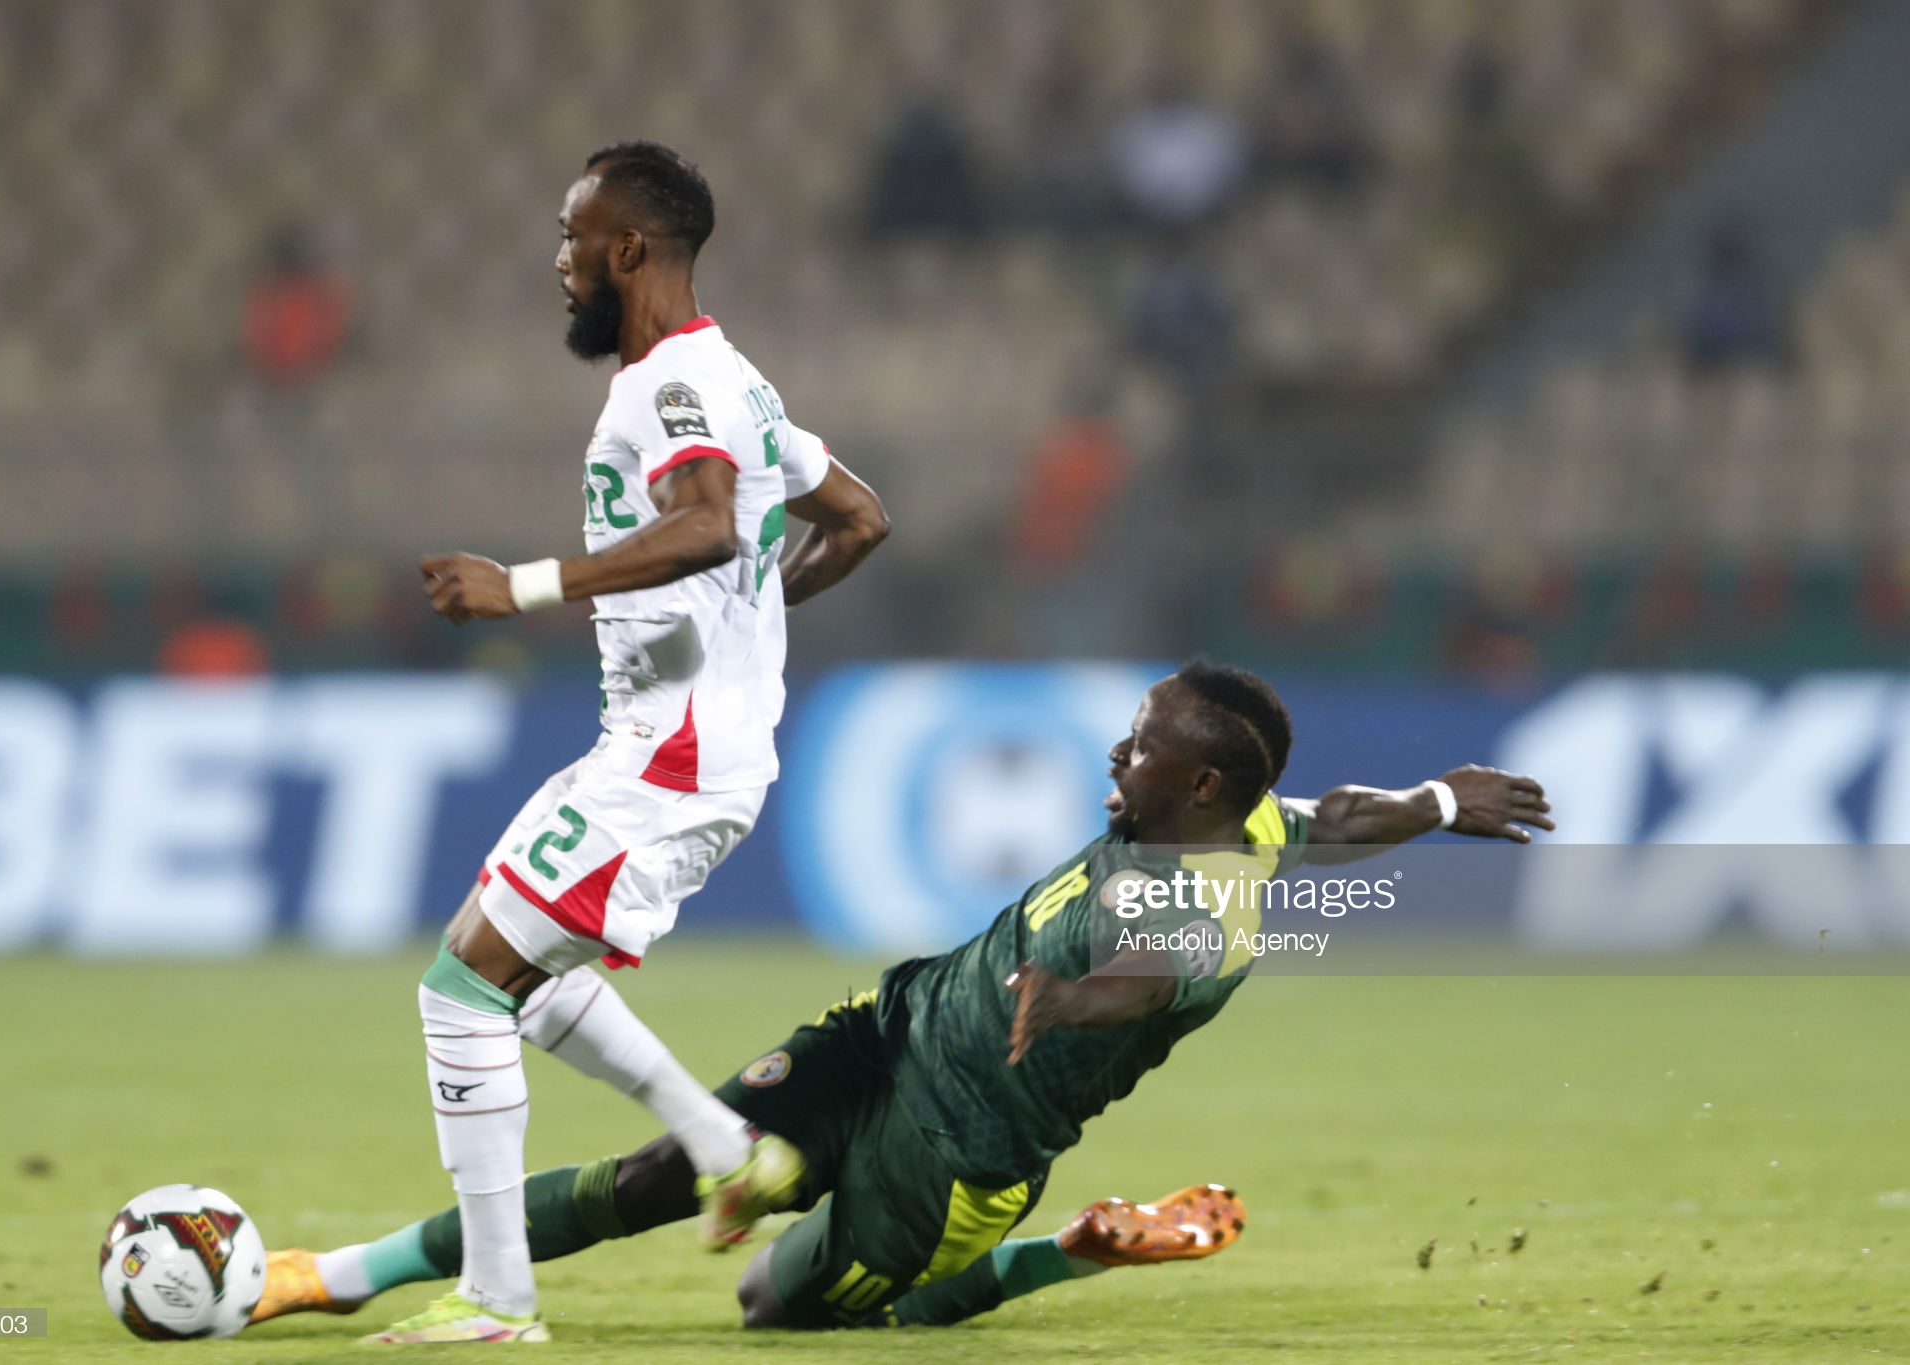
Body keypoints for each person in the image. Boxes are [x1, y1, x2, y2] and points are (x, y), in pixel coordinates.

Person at [254, 662, 1550, 1338]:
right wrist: (1442, 800)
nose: (1120, 746)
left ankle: (1069, 1250)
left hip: (954, 1160)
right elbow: (1345, 815)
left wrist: (1071, 996)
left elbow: (1150, 976)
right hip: (892, 1034)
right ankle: (337, 1277)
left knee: (774, 1305)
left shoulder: (1211, 906)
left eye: (1144, 740)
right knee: (671, 1173)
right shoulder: (1256, 821)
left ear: (1199, 790)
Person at [362, 142, 889, 1344]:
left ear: (629, 249)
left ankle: (497, 1304)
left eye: (571, 234)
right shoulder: (738, 382)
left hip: (669, 762)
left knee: (460, 993)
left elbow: (706, 528)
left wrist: (523, 586)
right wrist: (746, 628)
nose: (559, 259)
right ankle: (727, 1152)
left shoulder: (668, 388)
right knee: (518, 981)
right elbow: (858, 518)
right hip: (671, 746)